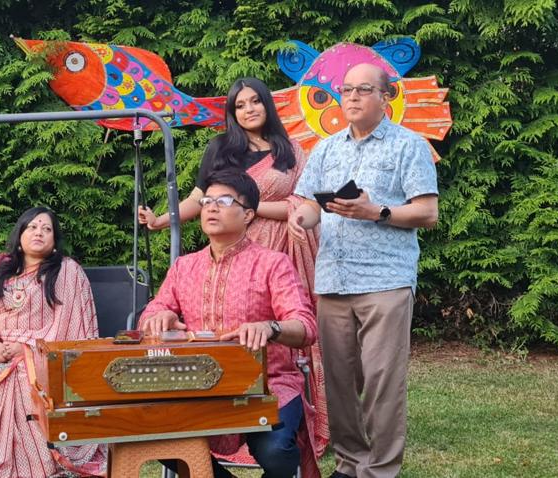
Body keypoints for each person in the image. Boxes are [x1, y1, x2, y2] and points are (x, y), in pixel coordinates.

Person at [139, 77, 328, 456]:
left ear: (267, 106)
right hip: (235, 240)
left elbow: (305, 201)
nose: (249, 110)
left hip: (286, 247)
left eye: (256, 102)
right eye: (240, 105)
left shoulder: (290, 150)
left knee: (291, 326)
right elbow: (201, 199)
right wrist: (163, 219)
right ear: (232, 112)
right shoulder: (221, 149)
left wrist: (253, 211)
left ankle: (302, 415)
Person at [287, 63, 439, 478]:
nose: (351, 97)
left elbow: (427, 212)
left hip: (385, 279)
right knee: (338, 382)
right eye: (346, 89)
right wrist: (301, 218)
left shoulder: (409, 146)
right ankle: (351, 463)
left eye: (363, 89)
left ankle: (382, 470)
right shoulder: (326, 148)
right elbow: (311, 203)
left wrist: (377, 211)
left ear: (386, 97)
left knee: (381, 381)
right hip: (333, 279)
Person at [139, 170, 321, 478]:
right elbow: (154, 311)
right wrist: (159, 316)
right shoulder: (185, 266)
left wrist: (270, 328)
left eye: (224, 201)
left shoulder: (272, 263)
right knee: (158, 439)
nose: (211, 207)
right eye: (207, 200)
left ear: (248, 214)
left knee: (276, 453)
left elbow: (305, 326)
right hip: (197, 386)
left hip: (267, 383)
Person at [0, 207, 106, 478]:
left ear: (55, 240)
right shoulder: (0, 265)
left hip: (43, 352)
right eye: (32, 227)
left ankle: (33, 465)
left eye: (47, 229)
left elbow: (72, 331)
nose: (39, 232)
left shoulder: (67, 272)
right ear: (20, 233)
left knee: (21, 378)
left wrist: (29, 350)